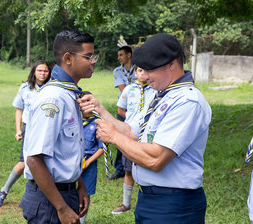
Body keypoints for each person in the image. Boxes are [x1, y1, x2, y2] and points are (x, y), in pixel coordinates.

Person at [78, 33, 212, 223]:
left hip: (174, 204)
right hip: (149, 198)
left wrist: (114, 137)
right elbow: (131, 131)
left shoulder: (187, 101)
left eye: (149, 69)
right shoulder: (160, 95)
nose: (144, 75)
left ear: (172, 64)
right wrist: (99, 109)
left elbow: (156, 159)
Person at [20, 30, 97, 223]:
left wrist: (79, 185)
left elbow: (65, 151)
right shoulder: (53, 98)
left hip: (66, 191)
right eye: (88, 56)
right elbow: (34, 159)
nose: (93, 61)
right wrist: (61, 207)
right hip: (50, 202)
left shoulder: (69, 94)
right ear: (68, 58)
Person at [0, 60, 51, 207]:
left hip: (47, 128)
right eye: (40, 71)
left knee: (47, 162)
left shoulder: (52, 88)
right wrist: (18, 130)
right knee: (24, 162)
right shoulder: (25, 88)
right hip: (29, 128)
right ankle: (4, 191)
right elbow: (19, 109)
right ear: (33, 72)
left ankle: (47, 196)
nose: (43, 73)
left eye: (45, 71)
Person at [112, 66, 156, 214]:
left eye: (146, 70)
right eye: (140, 71)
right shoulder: (128, 90)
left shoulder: (156, 90)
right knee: (128, 170)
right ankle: (126, 203)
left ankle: (150, 201)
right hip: (130, 134)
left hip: (149, 136)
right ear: (135, 73)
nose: (143, 73)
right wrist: (132, 124)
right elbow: (120, 110)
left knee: (150, 167)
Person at [110, 46, 137, 180]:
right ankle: (120, 168)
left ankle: (136, 166)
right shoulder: (117, 71)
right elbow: (124, 90)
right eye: (118, 55)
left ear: (129, 55)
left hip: (137, 109)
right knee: (120, 138)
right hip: (124, 108)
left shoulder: (139, 69)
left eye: (121, 55)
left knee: (136, 137)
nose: (119, 57)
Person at [79, 93, 104, 224]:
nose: (88, 107)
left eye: (91, 104)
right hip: (72, 163)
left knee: (85, 193)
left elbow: (101, 148)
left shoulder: (97, 123)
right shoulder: (72, 121)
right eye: (85, 104)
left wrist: (88, 162)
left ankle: (82, 220)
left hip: (89, 164)